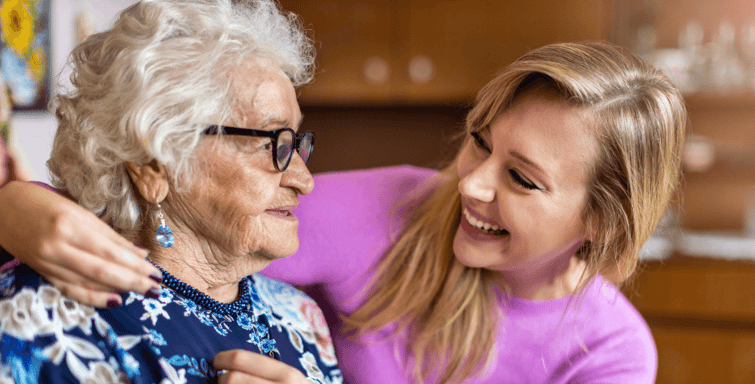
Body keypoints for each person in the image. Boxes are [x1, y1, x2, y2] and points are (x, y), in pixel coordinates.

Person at [0, 41, 686, 383]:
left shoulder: (611, 354)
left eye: (522, 180)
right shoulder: (396, 208)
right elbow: (185, 219)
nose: (471, 185)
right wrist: (15, 208)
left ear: (602, 223)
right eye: (480, 140)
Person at [0, 0, 344, 383]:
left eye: (296, 142)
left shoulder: (301, 318)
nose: (304, 178)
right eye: (272, 142)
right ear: (153, 166)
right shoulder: (39, 322)